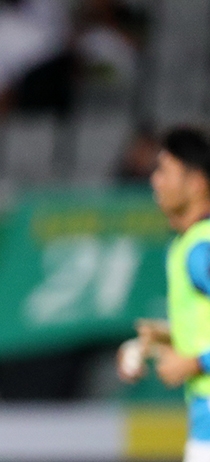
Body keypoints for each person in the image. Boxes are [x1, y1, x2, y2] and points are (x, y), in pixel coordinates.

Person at [116, 126, 210, 461]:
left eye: (165, 171)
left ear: (196, 182)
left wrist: (194, 362)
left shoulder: (201, 250)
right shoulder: (186, 245)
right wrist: (166, 339)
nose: (155, 181)